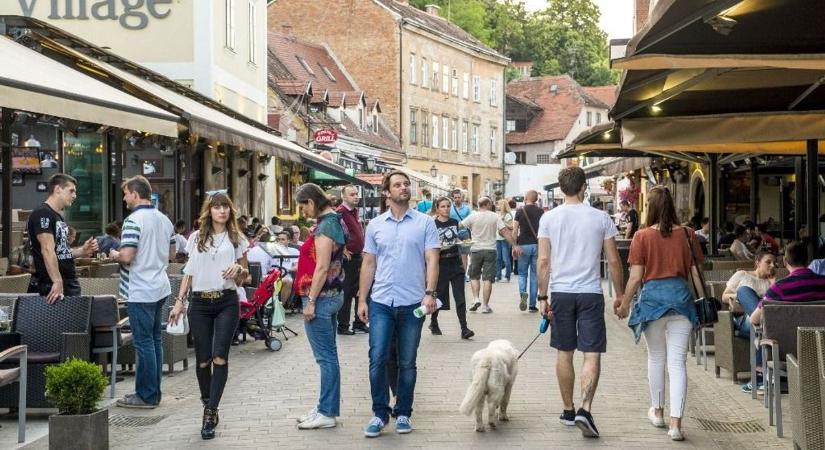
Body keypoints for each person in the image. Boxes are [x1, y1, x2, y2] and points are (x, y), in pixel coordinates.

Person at [536, 167, 624, 439]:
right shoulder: (601, 218)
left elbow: (543, 261)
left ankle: (567, 409)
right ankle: (585, 409)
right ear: (584, 187)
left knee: (564, 351)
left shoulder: (549, 218)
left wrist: (542, 296)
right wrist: (620, 295)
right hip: (590, 293)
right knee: (591, 352)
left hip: (561, 292)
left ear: (561, 188)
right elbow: (613, 260)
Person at [615, 186, 703, 442]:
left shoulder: (641, 237)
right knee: (678, 363)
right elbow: (696, 273)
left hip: (653, 304)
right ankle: (676, 425)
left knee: (656, 358)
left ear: (649, 207)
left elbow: (635, 278)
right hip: (682, 302)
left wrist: (623, 304)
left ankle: (658, 412)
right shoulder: (688, 234)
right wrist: (705, 303)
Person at [357, 171, 440, 438]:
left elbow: (432, 260)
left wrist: (430, 293)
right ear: (387, 192)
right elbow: (368, 263)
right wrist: (361, 299)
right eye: (398, 184)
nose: (404, 187)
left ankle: (403, 411)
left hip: (412, 301)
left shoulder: (425, 223)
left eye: (406, 184)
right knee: (377, 358)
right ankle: (380, 413)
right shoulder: (375, 225)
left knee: (407, 361)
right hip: (381, 301)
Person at [168, 191, 249, 440]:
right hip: (200, 303)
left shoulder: (237, 238)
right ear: (209, 211)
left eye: (225, 207)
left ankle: (211, 412)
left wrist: (239, 270)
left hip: (226, 302)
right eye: (217, 207)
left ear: (230, 211)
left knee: (219, 357)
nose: (222, 211)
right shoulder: (196, 238)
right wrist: (179, 302)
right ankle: (207, 401)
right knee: (202, 360)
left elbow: (246, 275)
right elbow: (189, 273)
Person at [110, 176, 175, 409]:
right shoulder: (165, 219)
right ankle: (153, 392)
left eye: (126, 193)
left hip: (140, 288)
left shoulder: (133, 221)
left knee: (144, 342)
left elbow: (127, 256)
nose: (125, 197)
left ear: (136, 194)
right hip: (160, 285)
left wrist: (114, 254)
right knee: (154, 340)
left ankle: (145, 395)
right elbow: (172, 254)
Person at [292, 183, 347, 430]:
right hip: (331, 295)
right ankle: (325, 406)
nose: (303, 212)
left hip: (322, 298)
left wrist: (311, 301)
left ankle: (326, 412)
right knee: (329, 356)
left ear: (312, 203)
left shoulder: (326, 226)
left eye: (303, 207)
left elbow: (323, 266)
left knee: (325, 358)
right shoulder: (333, 221)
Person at [27, 173, 98, 302]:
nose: (75, 196)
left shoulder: (57, 216)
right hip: (53, 284)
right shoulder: (42, 213)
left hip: (69, 282)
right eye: (71, 191)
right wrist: (57, 281)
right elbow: (47, 250)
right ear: (58, 189)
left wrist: (82, 251)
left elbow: (61, 251)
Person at [720, 251, 776, 393]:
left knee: (756, 327)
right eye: (768, 262)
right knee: (744, 290)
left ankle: (758, 382)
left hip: (757, 322)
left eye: (775, 262)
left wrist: (773, 284)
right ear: (757, 262)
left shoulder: (772, 282)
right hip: (743, 318)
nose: (773, 265)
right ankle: (760, 379)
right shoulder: (742, 275)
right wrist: (740, 296)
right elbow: (724, 296)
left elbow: (776, 305)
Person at [461, 197, 519, 313]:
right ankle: (485, 306)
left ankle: (476, 299)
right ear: (487, 204)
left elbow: (460, 226)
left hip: (475, 250)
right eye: (491, 203)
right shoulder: (494, 216)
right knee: (487, 279)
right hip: (490, 250)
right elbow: (504, 232)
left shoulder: (473, 216)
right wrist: (514, 245)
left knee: (474, 276)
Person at [429, 196, 474, 339]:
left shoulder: (454, 222)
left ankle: (464, 328)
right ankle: (433, 321)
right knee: (439, 296)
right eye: (443, 206)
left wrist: (462, 242)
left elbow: (456, 239)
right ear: (437, 208)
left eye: (448, 206)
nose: (446, 209)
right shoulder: (432, 224)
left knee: (460, 297)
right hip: (440, 264)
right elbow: (429, 245)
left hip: (455, 262)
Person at [336, 185, 369, 335]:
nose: (356, 196)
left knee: (360, 290)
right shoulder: (340, 212)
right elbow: (334, 231)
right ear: (344, 196)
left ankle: (359, 323)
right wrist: (342, 248)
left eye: (356, 194)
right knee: (347, 292)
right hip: (347, 259)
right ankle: (343, 326)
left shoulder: (354, 211)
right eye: (352, 194)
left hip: (358, 256)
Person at [513, 190, 544, 312]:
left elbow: (515, 230)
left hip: (523, 246)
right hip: (537, 245)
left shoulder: (520, 211)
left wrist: (514, 246)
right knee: (534, 275)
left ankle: (523, 294)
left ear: (526, 198)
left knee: (522, 274)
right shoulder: (541, 212)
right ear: (536, 199)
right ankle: (532, 305)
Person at [448, 189, 472, 276]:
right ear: (453, 198)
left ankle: (464, 275)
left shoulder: (467, 208)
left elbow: (470, 221)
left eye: (459, 197)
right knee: (455, 255)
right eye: (455, 197)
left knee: (464, 255)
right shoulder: (450, 208)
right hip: (453, 234)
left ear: (462, 198)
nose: (457, 199)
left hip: (465, 233)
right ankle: (455, 273)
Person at [495, 198, 514, 282]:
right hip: (498, 238)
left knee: (506, 259)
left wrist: (503, 222)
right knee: (498, 258)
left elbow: (511, 226)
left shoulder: (508, 215)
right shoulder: (498, 214)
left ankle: (507, 276)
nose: (497, 206)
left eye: (499, 204)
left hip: (505, 239)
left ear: (503, 206)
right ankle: (498, 276)